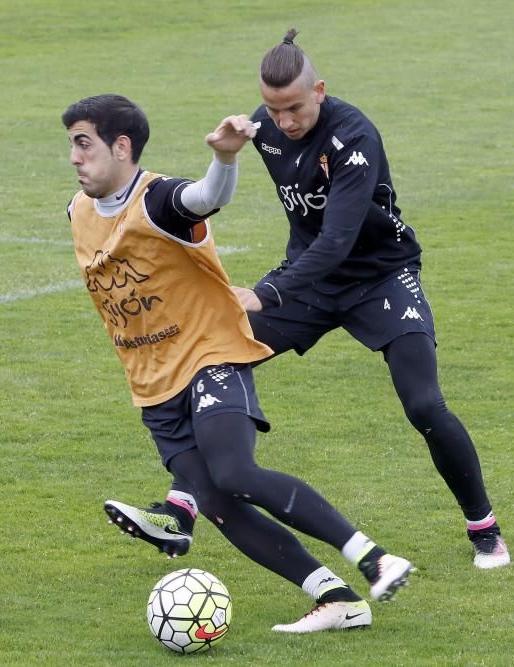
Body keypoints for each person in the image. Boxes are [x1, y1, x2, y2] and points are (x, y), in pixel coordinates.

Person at [109, 30, 511, 570]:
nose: (285, 121)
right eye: (274, 111)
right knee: (210, 353)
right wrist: (227, 152)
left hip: (381, 277)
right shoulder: (267, 129)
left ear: (319, 90)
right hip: (310, 282)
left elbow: (338, 241)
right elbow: (223, 191)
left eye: (295, 107)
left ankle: (484, 529)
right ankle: (181, 507)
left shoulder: (354, 138)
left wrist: (267, 292)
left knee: (424, 405)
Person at [62, 94, 414, 634]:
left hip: (210, 354)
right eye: (72, 145)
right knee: (217, 501)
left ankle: (374, 558)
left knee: (234, 471)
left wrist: (225, 159)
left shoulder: (158, 200)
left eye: (84, 144)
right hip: (151, 383)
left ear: (121, 146)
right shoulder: (77, 212)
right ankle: (336, 597)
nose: (75, 157)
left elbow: (205, 197)